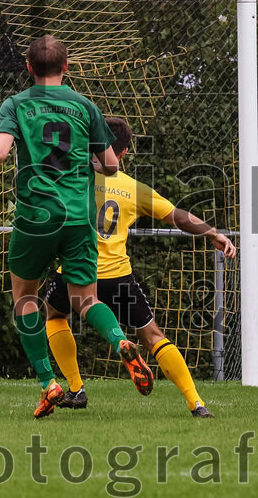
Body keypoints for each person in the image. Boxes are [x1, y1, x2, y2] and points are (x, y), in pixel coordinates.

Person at [0, 35, 153, 419]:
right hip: (79, 218)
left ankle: (49, 383)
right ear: (66, 67)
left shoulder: (16, 104)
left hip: (36, 217)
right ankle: (120, 341)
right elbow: (111, 165)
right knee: (86, 299)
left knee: (26, 298)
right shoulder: (85, 106)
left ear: (28, 68)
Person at [43, 117, 237, 418]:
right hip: (119, 277)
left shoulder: (72, 178)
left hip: (77, 273)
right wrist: (212, 232)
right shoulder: (135, 189)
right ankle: (196, 402)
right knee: (153, 336)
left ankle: (76, 388)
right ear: (124, 152)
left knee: (53, 314)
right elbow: (178, 217)